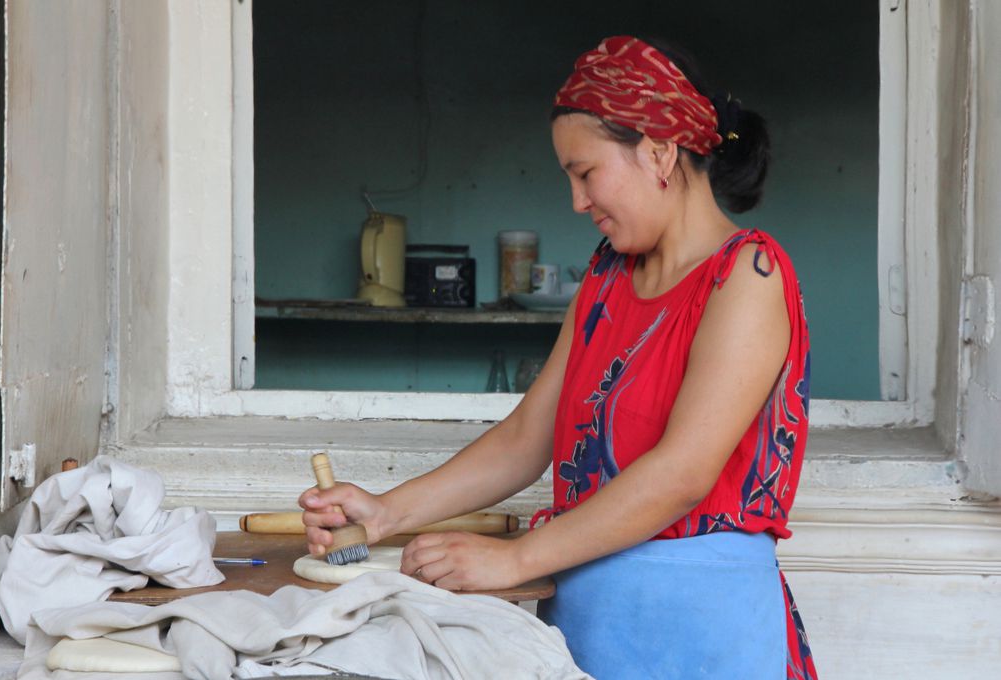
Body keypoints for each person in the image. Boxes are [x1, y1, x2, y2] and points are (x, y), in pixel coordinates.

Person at [300, 35, 817, 679]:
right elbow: (526, 437)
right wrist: (386, 512)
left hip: (701, 635)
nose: (577, 201)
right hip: (585, 621)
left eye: (585, 172)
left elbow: (683, 475)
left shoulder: (749, 276)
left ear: (658, 151)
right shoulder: (607, 278)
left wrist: (516, 559)